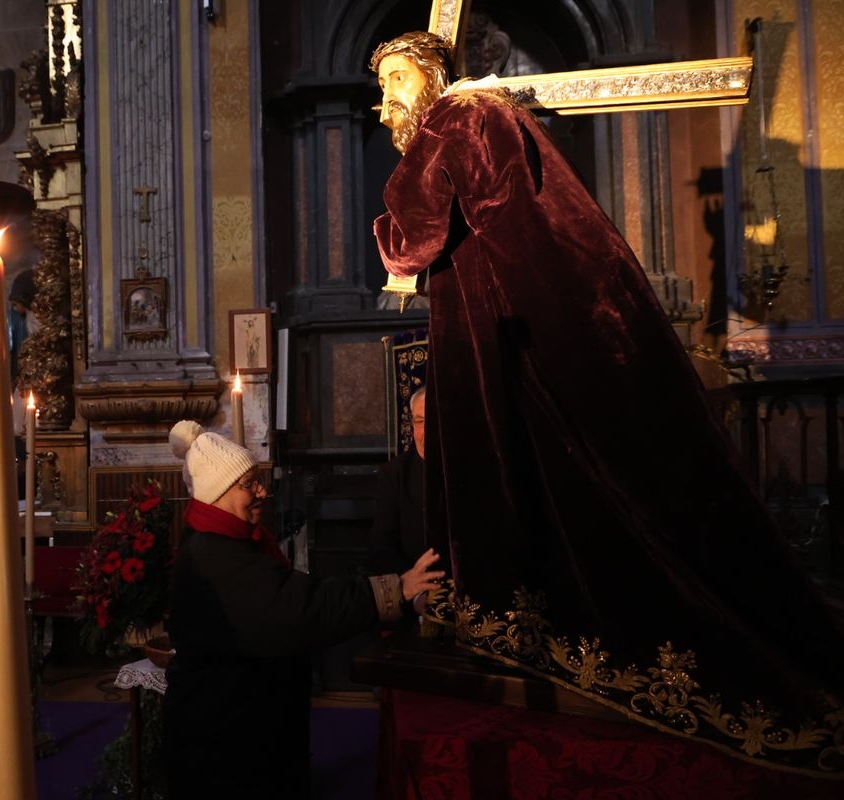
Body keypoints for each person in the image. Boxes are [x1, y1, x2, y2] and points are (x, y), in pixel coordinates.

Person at [369, 31, 844, 776]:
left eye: (397, 76)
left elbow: (409, 243)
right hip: (520, 318)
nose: (387, 96)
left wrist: (389, 221)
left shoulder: (454, 119)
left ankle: (517, 621)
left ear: (432, 75)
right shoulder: (492, 115)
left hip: (507, 326)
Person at [163, 420, 445, 798]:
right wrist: (398, 588)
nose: (262, 491)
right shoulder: (217, 554)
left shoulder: (227, 541)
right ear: (217, 492)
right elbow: (303, 608)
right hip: (227, 741)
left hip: (238, 725)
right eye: (249, 484)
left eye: (257, 479)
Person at [366, 385, 426, 576]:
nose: (428, 431)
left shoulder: (476, 469)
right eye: (420, 421)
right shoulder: (394, 474)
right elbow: (381, 548)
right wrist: (415, 590)